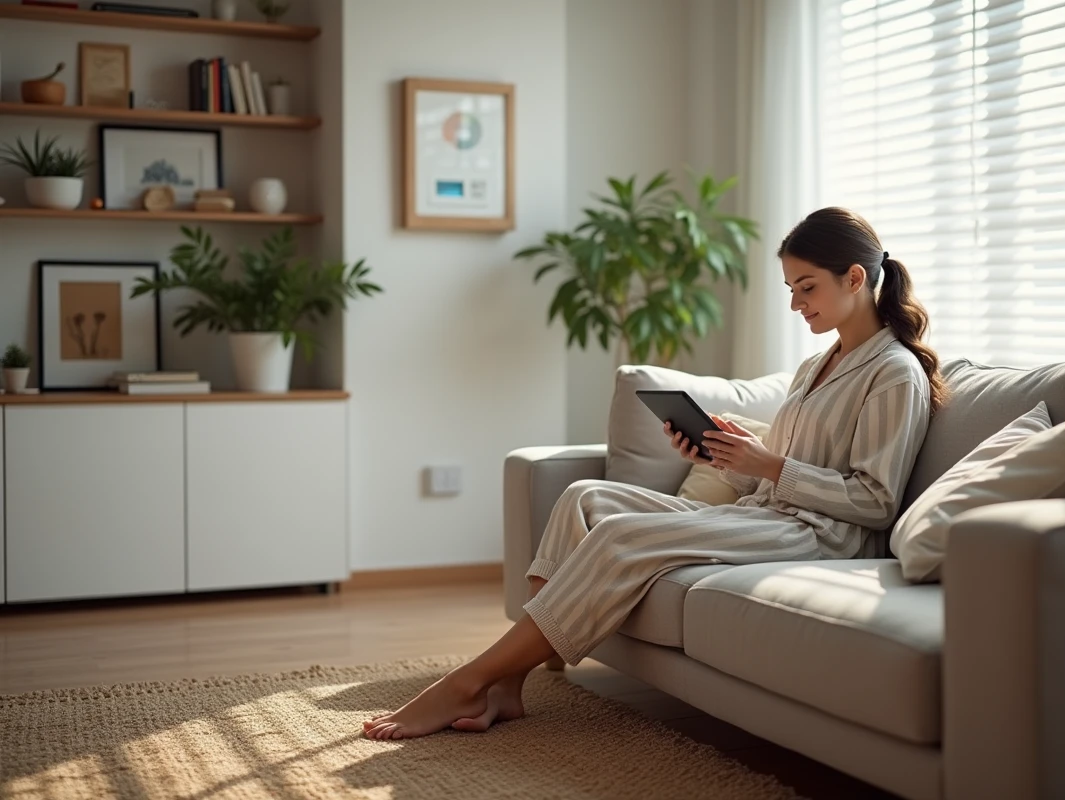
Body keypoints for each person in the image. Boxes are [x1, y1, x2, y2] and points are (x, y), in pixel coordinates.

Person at [362, 206, 948, 740]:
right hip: (765, 513)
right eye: (791, 289)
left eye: (807, 287)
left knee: (621, 535)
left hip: (821, 539)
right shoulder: (817, 364)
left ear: (854, 278)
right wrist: (722, 457)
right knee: (585, 497)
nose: (796, 304)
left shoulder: (894, 373)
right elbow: (772, 478)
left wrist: (768, 462)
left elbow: (875, 502)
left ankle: (468, 681)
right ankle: (512, 685)